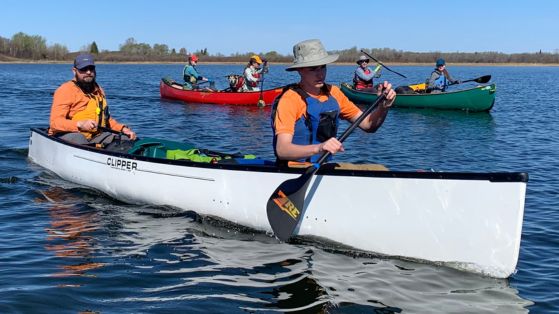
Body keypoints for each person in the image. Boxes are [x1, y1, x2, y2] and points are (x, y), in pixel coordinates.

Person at [271, 39, 396, 165]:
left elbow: (368, 125)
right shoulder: (290, 100)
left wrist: (383, 106)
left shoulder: (334, 93)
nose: (320, 74)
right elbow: (282, 150)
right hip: (294, 170)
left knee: (378, 168)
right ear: (300, 70)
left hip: (322, 167)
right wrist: (319, 148)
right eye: (313, 69)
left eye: (323, 67)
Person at [49, 53, 136, 148]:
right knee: (79, 139)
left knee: (126, 139)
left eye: (91, 68)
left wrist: (123, 129)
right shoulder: (65, 90)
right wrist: (80, 124)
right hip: (68, 135)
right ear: (74, 71)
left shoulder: (99, 91)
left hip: (95, 137)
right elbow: (55, 123)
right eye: (83, 69)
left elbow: (106, 120)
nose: (88, 72)